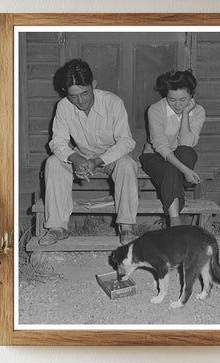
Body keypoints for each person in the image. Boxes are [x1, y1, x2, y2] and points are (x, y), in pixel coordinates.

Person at [39, 59, 138, 246]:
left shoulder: (113, 103)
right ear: (65, 93)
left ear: (94, 85)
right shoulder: (63, 106)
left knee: (127, 164)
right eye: (73, 96)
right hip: (81, 157)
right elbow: (58, 142)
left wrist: (98, 161)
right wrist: (75, 158)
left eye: (85, 94)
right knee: (52, 163)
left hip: (110, 157)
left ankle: (126, 227)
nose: (80, 101)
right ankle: (57, 228)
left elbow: (126, 141)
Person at [140, 69, 206, 227]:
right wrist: (184, 170)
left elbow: (186, 143)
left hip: (181, 155)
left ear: (192, 95)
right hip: (154, 156)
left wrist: (185, 114)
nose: (177, 104)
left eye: (183, 100)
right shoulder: (155, 110)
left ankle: (172, 217)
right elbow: (160, 146)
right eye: (172, 100)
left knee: (187, 152)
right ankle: (175, 222)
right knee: (171, 171)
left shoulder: (198, 111)